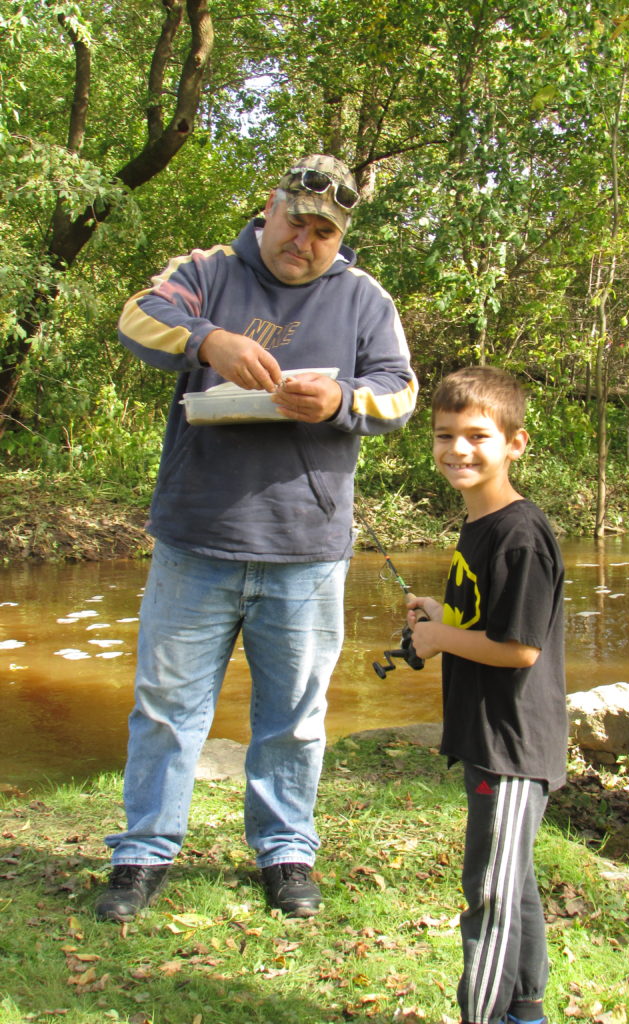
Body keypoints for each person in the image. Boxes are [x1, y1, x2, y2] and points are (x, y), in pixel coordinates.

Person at [95, 154, 418, 923]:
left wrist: (341, 397)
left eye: (323, 232)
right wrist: (208, 342)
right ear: (269, 210)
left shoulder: (365, 297)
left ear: (340, 237)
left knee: (296, 716)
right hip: (194, 535)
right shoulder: (208, 270)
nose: (304, 241)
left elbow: (399, 393)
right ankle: (142, 853)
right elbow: (136, 317)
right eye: (295, 221)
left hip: (306, 548)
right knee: (168, 709)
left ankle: (286, 851)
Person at [406, 367, 566, 1024]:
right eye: (445, 435)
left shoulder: (520, 534)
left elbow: (520, 649)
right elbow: (488, 619)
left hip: (513, 745)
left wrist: (440, 640)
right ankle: (525, 1011)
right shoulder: (480, 524)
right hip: (489, 736)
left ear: (515, 443)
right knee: (513, 883)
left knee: (490, 895)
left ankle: (483, 1014)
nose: (458, 449)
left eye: (477, 435)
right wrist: (440, 612)